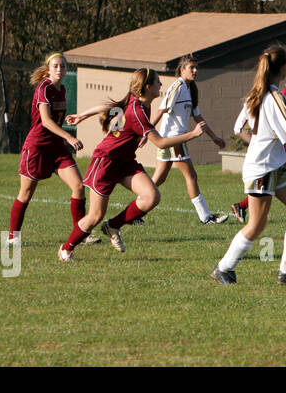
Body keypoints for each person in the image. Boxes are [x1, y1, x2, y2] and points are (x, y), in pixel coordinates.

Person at [211, 47, 286, 285]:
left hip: (274, 166)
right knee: (256, 225)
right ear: (281, 70)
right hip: (263, 169)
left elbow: (244, 129)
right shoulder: (273, 97)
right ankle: (224, 268)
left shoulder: (257, 94)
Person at [57, 68, 205, 261]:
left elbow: (109, 106)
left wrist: (83, 116)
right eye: (158, 81)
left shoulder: (141, 103)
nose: (161, 85)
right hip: (106, 162)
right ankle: (66, 249)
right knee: (95, 216)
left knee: (151, 196)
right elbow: (160, 142)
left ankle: (113, 226)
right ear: (148, 87)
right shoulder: (138, 111)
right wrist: (192, 134)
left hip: (125, 162)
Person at [9, 53, 86, 245]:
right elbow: (45, 121)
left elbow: (55, 118)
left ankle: (81, 233)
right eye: (55, 66)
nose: (59, 69)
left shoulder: (63, 89)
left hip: (57, 148)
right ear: (48, 69)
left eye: (63, 66)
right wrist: (68, 136)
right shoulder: (44, 88)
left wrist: (67, 121)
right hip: (38, 147)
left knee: (78, 186)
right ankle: (13, 237)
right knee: (26, 193)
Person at [149, 55, 230, 223]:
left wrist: (214, 138)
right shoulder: (177, 86)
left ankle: (136, 211)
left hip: (176, 140)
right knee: (191, 176)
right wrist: (147, 131)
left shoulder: (191, 89)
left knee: (159, 178)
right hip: (173, 140)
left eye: (196, 68)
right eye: (191, 67)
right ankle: (206, 217)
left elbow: (198, 117)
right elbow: (161, 110)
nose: (195, 71)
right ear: (182, 69)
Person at [230, 64, 286, 223]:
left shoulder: (275, 94)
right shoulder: (284, 95)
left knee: (276, 183)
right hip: (282, 144)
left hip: (274, 147)